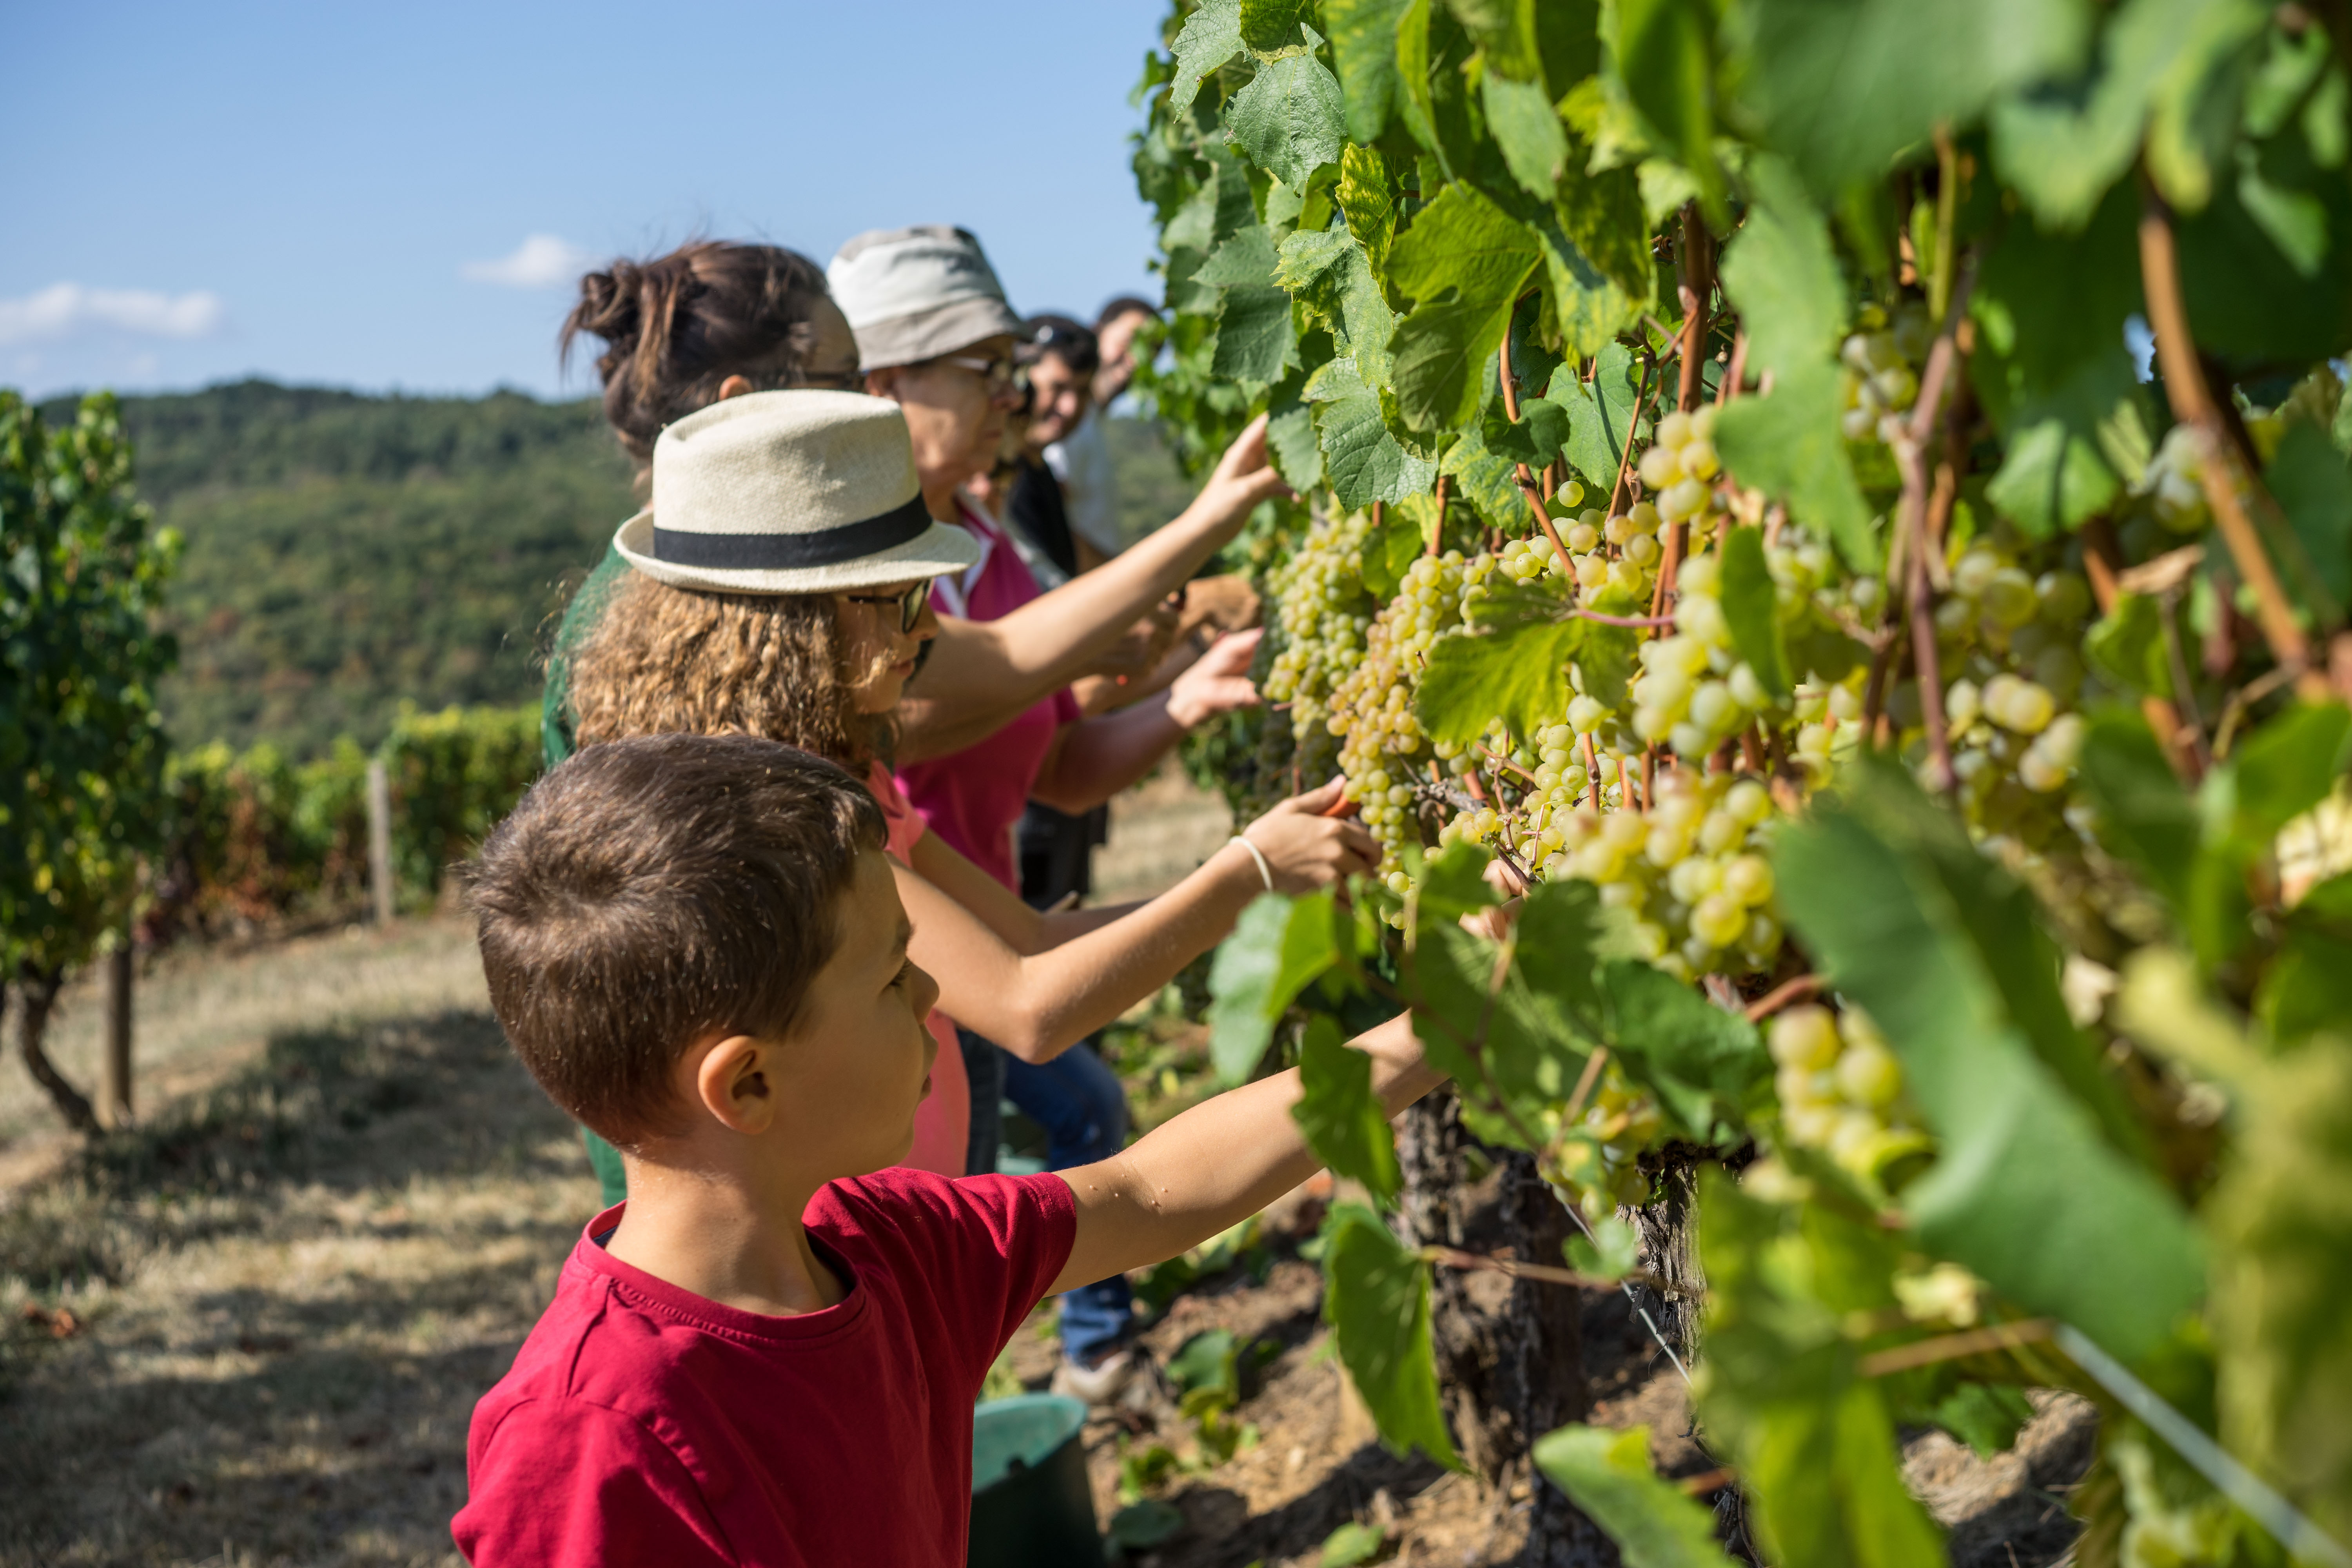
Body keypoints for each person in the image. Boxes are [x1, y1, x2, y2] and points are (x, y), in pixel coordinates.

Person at [450, 730, 1441, 1564]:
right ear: (748, 1082)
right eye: (893, 980)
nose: (934, 999)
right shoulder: (591, 1443)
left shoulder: (884, 1242)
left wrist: (1441, 1030)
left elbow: (1146, 1191)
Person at [545, 241, 1296, 1205]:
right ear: (793, 625)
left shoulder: (855, 777)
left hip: (905, 1194)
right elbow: (1029, 1004)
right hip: (827, 1236)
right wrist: (1256, 872)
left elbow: (1027, 939)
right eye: (899, 604)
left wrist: (1254, 889)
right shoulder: (787, 813)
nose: (926, 633)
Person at [831, 230, 1259, 1396]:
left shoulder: (987, 545)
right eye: (984, 365)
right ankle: (1096, 1360)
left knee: (938, 1330)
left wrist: (1189, 701)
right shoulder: (849, 616)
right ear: (885, 385)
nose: (1013, 394)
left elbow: (1057, 761)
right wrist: (1201, 535)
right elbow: (994, 677)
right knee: (920, 1312)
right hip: (907, 985)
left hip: (979, 944)